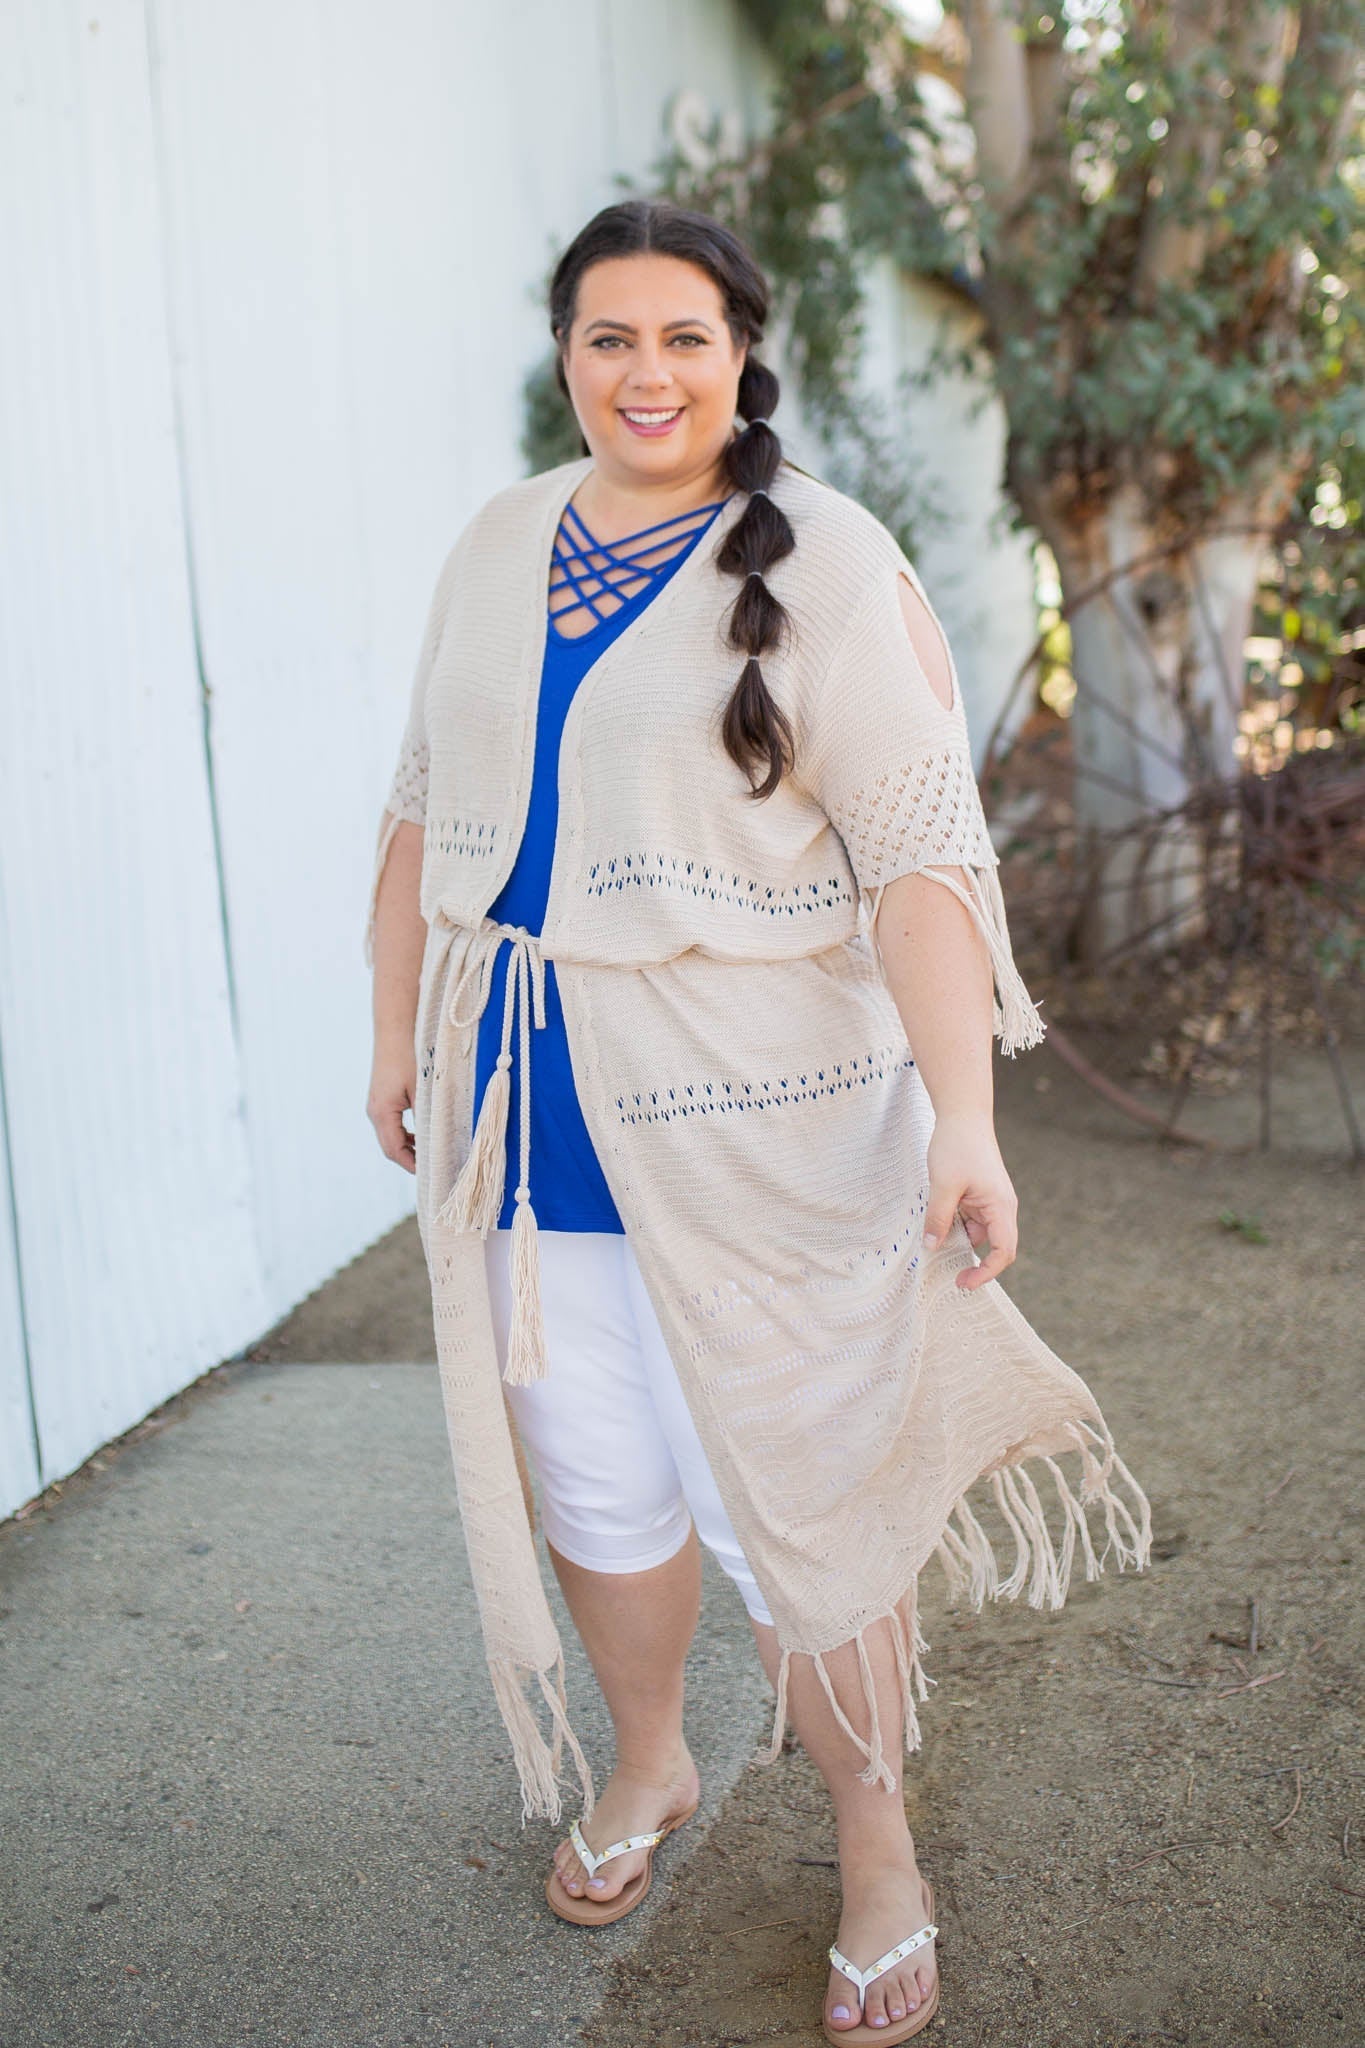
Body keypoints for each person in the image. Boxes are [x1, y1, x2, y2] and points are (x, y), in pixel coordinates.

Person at [366, 198, 1152, 2045]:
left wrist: (966, 1119)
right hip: (527, 1118)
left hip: (768, 1130)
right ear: (564, 357)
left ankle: (875, 1850)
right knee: (597, 1485)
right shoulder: (497, 545)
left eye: (684, 338)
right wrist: (391, 1034)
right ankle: (651, 1763)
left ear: (741, 350)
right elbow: (419, 811)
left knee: (797, 1501)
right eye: (609, 340)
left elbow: (920, 868)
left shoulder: (831, 564)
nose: (647, 374)